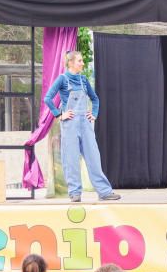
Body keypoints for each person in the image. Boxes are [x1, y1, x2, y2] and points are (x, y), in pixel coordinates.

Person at [44, 50, 120, 203]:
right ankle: (74, 192)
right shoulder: (62, 79)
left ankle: (104, 192)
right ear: (71, 63)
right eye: (79, 61)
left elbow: (95, 99)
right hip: (70, 124)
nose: (82, 63)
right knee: (70, 159)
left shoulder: (84, 80)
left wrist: (94, 114)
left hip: (85, 124)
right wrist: (59, 115)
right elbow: (48, 98)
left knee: (94, 158)